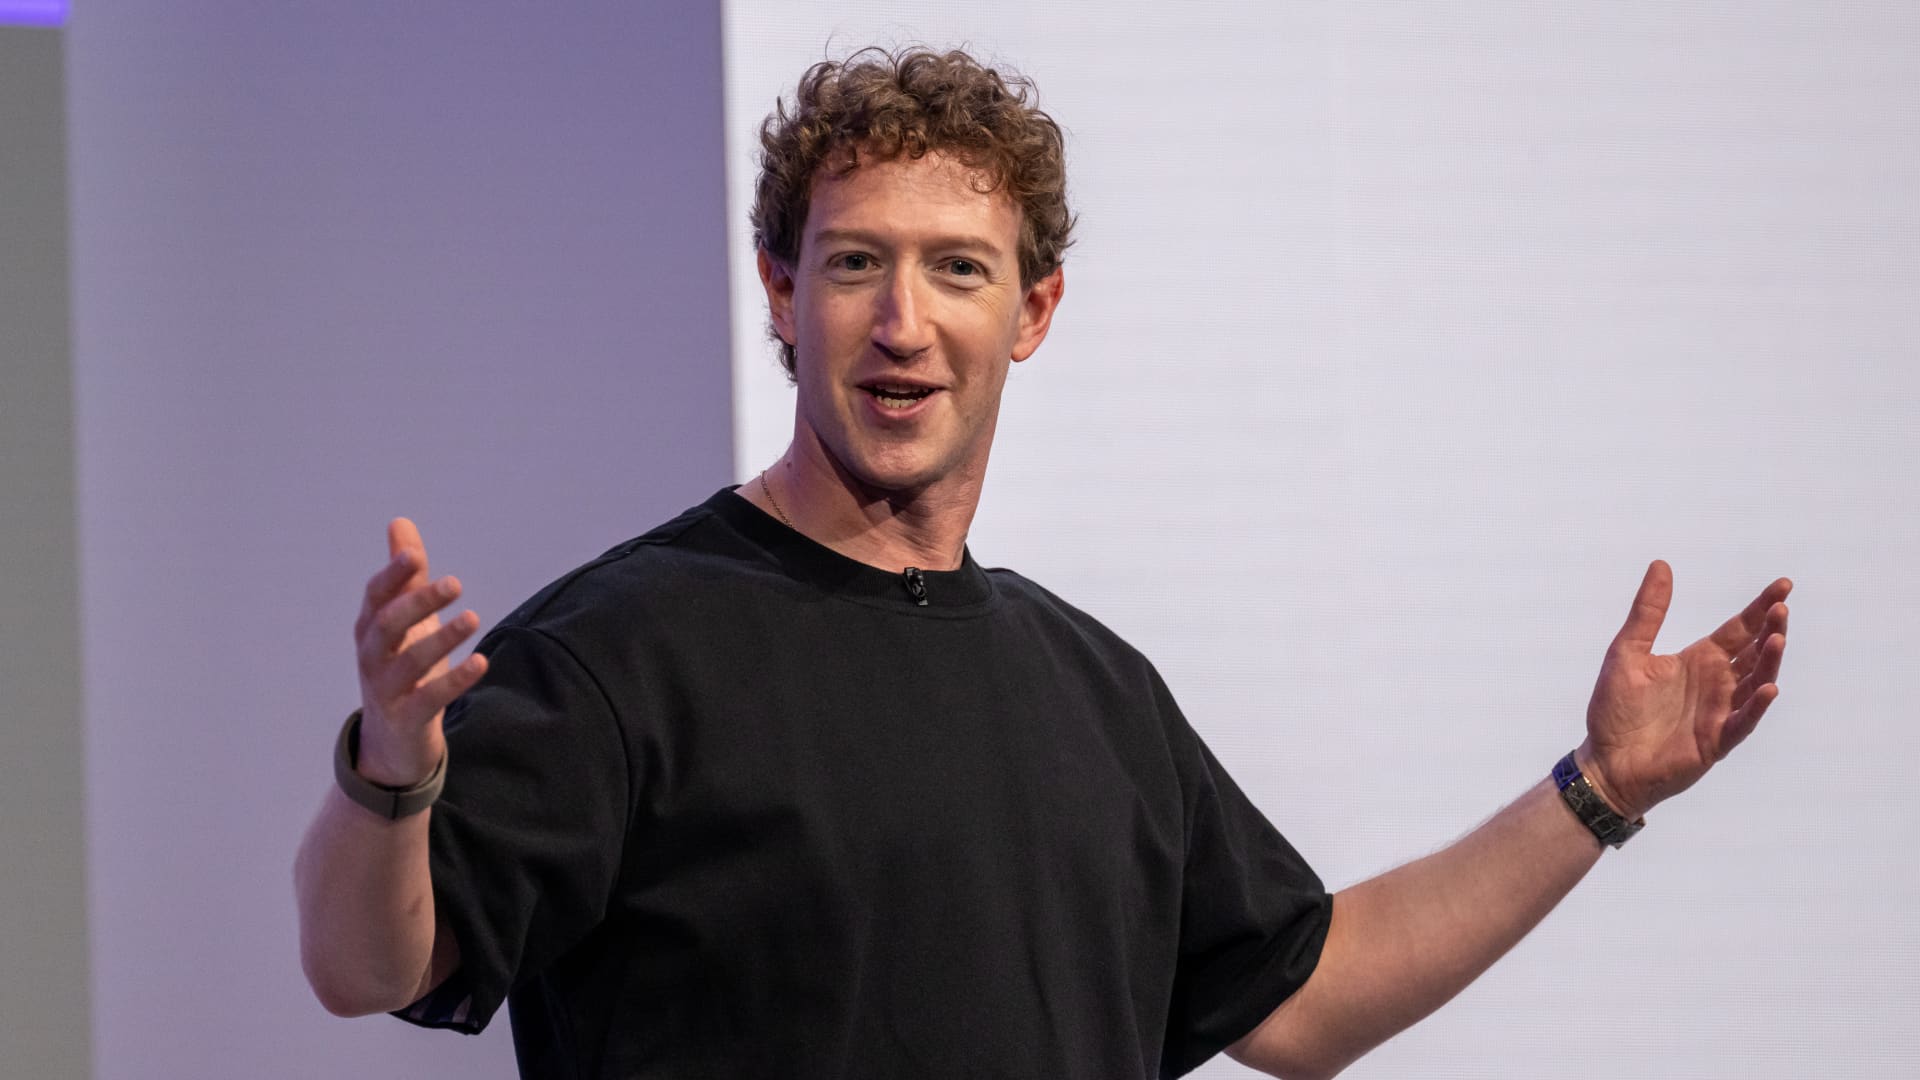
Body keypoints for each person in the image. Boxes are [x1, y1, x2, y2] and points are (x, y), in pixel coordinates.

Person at [294, 47, 1793, 1080]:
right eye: (855, 262)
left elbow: (1306, 1002)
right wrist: (391, 776)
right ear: (782, 288)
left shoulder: (1095, 691)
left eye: (958, 267)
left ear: (1033, 311)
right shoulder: (622, 652)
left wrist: (1597, 792)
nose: (903, 322)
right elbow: (365, 965)